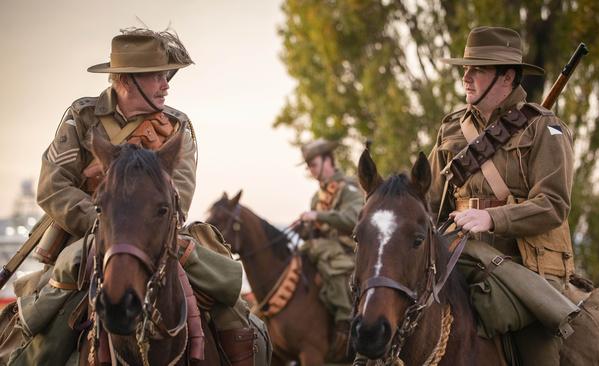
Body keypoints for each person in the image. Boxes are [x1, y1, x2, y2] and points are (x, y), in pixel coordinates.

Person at [3, 28, 267, 366]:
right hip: (88, 235)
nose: (166, 84)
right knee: (48, 322)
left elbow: (179, 194)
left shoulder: (176, 125)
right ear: (127, 81)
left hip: (156, 232)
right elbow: (53, 187)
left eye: (166, 75)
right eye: (157, 76)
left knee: (229, 304)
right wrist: (104, 219)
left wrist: (138, 221)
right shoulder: (83, 117)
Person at [428, 26, 599, 365]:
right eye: (465, 67)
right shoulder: (451, 130)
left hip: (528, 267)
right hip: (462, 258)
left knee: (540, 349)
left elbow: (553, 204)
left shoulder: (545, 128)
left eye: (478, 68)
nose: (466, 76)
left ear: (507, 77)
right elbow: (432, 203)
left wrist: (492, 217)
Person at [298, 138, 363, 355]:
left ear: (328, 160)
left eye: (313, 164)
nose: (311, 170)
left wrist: (319, 215)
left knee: (325, 258)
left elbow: (353, 219)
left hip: (349, 250)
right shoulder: (317, 196)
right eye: (308, 166)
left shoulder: (349, 188)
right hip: (324, 248)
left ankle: (345, 322)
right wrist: (305, 226)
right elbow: (316, 231)